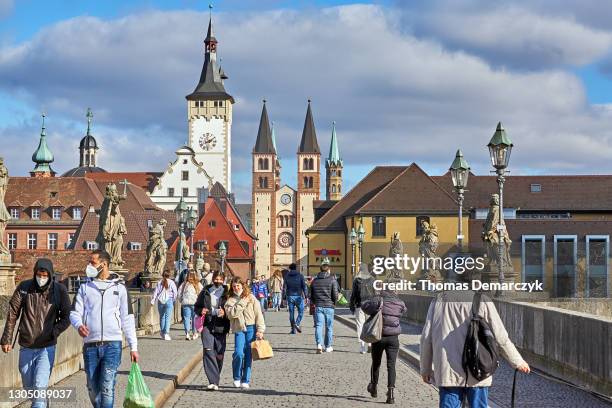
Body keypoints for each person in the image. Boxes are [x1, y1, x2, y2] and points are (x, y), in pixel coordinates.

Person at [420, 286, 530, 408]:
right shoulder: (482, 300)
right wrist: (517, 362)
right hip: (478, 368)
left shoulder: (438, 301)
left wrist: (426, 369)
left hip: (447, 369)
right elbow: (501, 337)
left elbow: (426, 337)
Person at [70, 250, 139, 408]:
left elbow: (127, 318)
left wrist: (133, 347)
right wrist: (79, 325)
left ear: (104, 264)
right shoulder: (85, 288)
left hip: (112, 344)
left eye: (93, 262)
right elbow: (74, 313)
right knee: (93, 388)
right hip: (91, 345)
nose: (89, 265)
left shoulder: (120, 288)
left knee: (107, 386)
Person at [1, 259, 71, 408]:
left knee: (39, 388)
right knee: (29, 387)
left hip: (46, 347)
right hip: (26, 345)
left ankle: (40, 403)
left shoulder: (59, 290)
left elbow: (67, 317)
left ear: (50, 275)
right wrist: (6, 338)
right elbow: (13, 313)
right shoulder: (24, 287)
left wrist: (54, 331)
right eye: (39, 274)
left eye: (45, 275)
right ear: (35, 273)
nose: (42, 278)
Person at [362, 289, 407, 404]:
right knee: (391, 366)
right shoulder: (400, 302)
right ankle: (390, 393)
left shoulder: (379, 300)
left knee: (376, 363)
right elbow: (403, 312)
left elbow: (365, 307)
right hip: (393, 338)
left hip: (378, 337)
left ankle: (374, 387)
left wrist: (374, 297)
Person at [224, 277, 265, 389]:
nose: (236, 288)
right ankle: (237, 377)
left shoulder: (251, 298)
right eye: (234, 286)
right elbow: (232, 314)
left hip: (251, 328)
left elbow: (258, 315)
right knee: (238, 353)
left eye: (238, 285)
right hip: (239, 329)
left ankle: (245, 380)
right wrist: (242, 302)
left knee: (248, 354)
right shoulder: (230, 300)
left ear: (242, 286)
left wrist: (260, 330)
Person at [194, 272, 230, 390]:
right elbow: (196, 306)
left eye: (220, 279)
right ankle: (213, 381)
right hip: (207, 325)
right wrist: (201, 310)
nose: (218, 281)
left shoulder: (227, 293)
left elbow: (232, 307)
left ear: (223, 280)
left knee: (219, 354)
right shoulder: (205, 291)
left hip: (221, 326)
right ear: (213, 279)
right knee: (208, 350)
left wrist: (225, 313)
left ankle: (215, 377)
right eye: (216, 279)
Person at [310, 258, 338, 353]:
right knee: (329, 327)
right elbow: (335, 295)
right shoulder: (332, 280)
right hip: (329, 306)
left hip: (319, 306)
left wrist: (315, 302)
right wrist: (334, 303)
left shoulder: (315, 281)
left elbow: (311, 295)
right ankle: (328, 346)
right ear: (328, 270)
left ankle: (319, 345)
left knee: (318, 326)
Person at [350, 263, 376, 354]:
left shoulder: (357, 280)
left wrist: (351, 305)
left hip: (359, 305)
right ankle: (369, 345)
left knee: (360, 325)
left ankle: (362, 347)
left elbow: (353, 294)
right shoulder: (372, 279)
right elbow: (376, 294)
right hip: (370, 306)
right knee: (369, 325)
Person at [151, 270, 178, 340]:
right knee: (167, 318)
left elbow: (155, 292)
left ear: (162, 275)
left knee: (162, 317)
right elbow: (175, 293)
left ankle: (162, 332)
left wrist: (153, 301)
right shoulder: (171, 282)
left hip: (160, 301)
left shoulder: (159, 282)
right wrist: (173, 300)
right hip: (169, 300)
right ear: (169, 275)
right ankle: (166, 333)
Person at [283, 263, 307, 334]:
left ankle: (293, 329)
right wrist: (306, 296)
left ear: (289, 268)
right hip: (298, 296)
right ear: (296, 268)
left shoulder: (287, 276)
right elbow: (304, 286)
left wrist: (284, 297)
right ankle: (297, 323)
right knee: (301, 311)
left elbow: (284, 288)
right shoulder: (300, 276)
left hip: (290, 296)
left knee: (291, 313)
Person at [178, 271, 202, 340]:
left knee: (186, 318)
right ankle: (194, 333)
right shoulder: (198, 284)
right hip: (195, 303)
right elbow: (202, 293)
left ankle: (187, 334)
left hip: (185, 303)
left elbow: (179, 293)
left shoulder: (184, 284)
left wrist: (181, 300)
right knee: (194, 318)